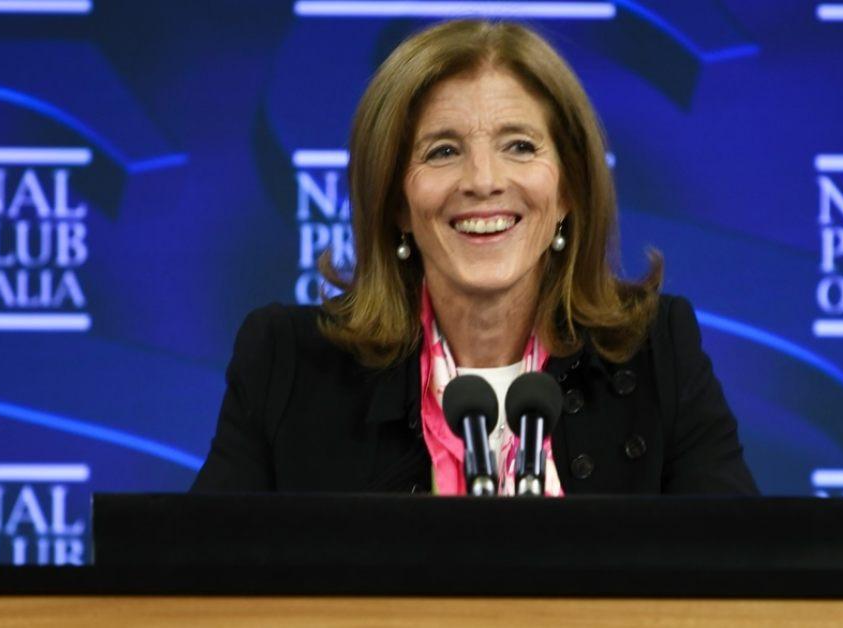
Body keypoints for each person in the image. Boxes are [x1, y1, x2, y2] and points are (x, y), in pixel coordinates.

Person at [192, 19, 757, 496]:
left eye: (519, 146)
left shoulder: (655, 352)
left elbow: (746, 577)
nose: (483, 181)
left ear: (568, 191)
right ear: (396, 202)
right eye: (443, 151)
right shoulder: (286, 365)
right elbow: (186, 587)